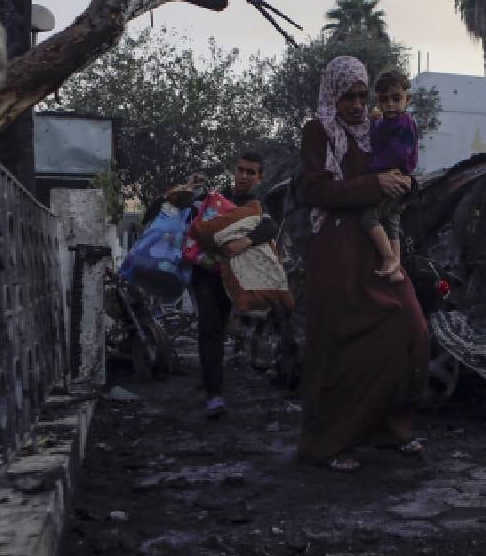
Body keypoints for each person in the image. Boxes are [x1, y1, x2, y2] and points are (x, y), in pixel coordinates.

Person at [296, 55, 429, 473]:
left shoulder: (376, 130)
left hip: (378, 250)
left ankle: (389, 427)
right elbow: (317, 190)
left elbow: (398, 166)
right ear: (332, 95)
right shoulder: (318, 132)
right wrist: (374, 185)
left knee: (411, 330)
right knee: (341, 347)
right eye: (346, 96)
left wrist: (406, 183)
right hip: (338, 252)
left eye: (360, 95)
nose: (355, 104)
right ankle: (328, 442)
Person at [164, 153, 278, 419]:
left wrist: (245, 242)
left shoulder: (255, 205)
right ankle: (214, 394)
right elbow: (170, 204)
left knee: (220, 326)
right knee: (209, 327)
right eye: (241, 170)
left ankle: (211, 381)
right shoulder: (211, 199)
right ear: (233, 170)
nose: (244, 176)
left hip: (231, 276)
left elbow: (270, 227)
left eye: (251, 172)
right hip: (204, 272)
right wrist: (187, 189)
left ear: (259, 178)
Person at [362, 71, 418, 282]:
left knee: (369, 217)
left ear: (407, 99)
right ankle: (396, 269)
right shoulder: (387, 122)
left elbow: (396, 154)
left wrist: (370, 169)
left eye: (396, 98)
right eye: (384, 100)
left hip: (393, 178)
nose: (390, 105)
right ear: (378, 101)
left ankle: (388, 258)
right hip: (398, 182)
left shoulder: (404, 124)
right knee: (391, 222)